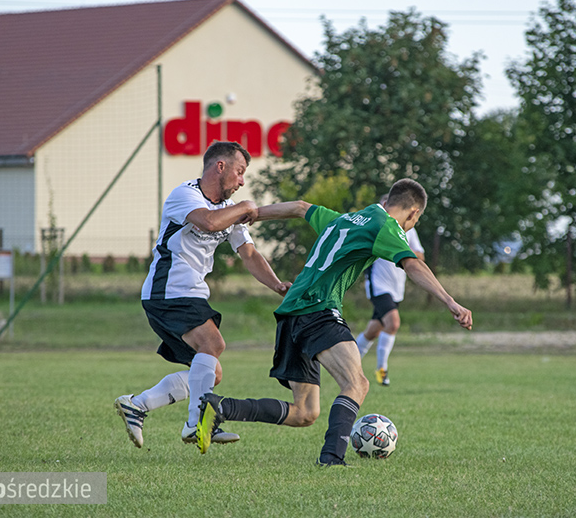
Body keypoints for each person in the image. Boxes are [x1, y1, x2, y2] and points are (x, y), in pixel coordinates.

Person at [196, 178, 472, 466]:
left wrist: (252, 213)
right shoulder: (384, 225)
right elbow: (413, 264)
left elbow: (301, 208)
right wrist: (450, 301)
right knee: (357, 383)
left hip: (291, 311)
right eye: (416, 219)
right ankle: (331, 460)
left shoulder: (345, 219)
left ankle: (220, 407)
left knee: (305, 412)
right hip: (318, 307)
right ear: (414, 212)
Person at [114, 141, 291, 449]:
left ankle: (138, 405)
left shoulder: (228, 210)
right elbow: (207, 222)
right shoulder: (185, 194)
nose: (241, 182)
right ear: (219, 167)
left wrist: (277, 286)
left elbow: (248, 254)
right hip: (168, 289)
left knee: (213, 373)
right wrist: (245, 208)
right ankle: (197, 423)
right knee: (213, 344)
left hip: (186, 293)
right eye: (239, 172)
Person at [355, 194, 425, 386]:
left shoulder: (408, 228)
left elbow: (420, 255)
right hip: (378, 285)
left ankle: (350, 363)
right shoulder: (378, 226)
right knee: (393, 323)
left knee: (373, 330)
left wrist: (403, 249)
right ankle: (381, 369)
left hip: (397, 287)